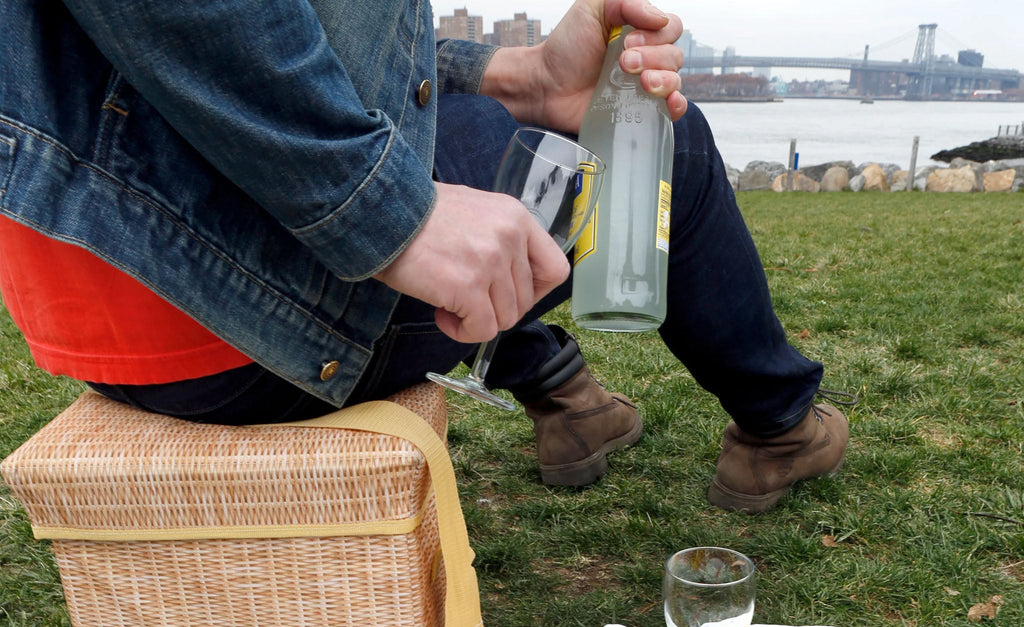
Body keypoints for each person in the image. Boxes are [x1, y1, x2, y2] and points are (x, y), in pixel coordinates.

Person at [0, 0, 847, 513]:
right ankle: (777, 428)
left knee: (487, 181)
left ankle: (566, 397)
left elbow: (294, 49)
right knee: (666, 141)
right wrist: (389, 214)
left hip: (110, 309)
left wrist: (520, 76)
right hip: (236, 304)